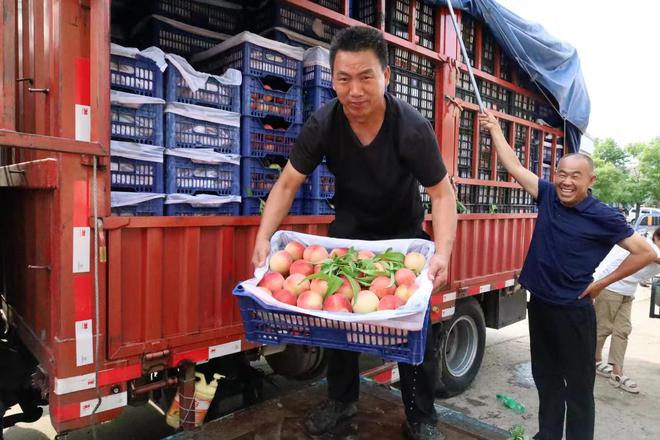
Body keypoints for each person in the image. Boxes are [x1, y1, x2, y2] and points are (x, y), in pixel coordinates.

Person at [250, 26, 457, 440]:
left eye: (366, 77)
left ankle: (421, 417)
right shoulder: (324, 122)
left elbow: (442, 193)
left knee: (413, 329)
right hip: (349, 234)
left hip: (402, 237)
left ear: (387, 77)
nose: (355, 89)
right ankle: (341, 402)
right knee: (337, 319)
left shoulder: (410, 127)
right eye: (344, 78)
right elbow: (288, 183)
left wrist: (443, 253)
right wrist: (261, 238)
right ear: (332, 79)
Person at [479, 110, 656, 440]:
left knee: (577, 388)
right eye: (561, 173)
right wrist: (494, 129)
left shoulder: (602, 215)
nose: (566, 181)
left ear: (591, 181)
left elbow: (646, 253)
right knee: (546, 379)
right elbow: (515, 167)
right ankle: (547, 435)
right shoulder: (548, 196)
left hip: (574, 312)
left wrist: (602, 283)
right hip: (542, 306)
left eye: (575, 176)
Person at [593, 226, 660, 393]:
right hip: (610, 288)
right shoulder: (649, 247)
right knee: (603, 328)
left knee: (623, 331)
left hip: (628, 291)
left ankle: (617, 373)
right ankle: (591, 361)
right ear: (658, 238)